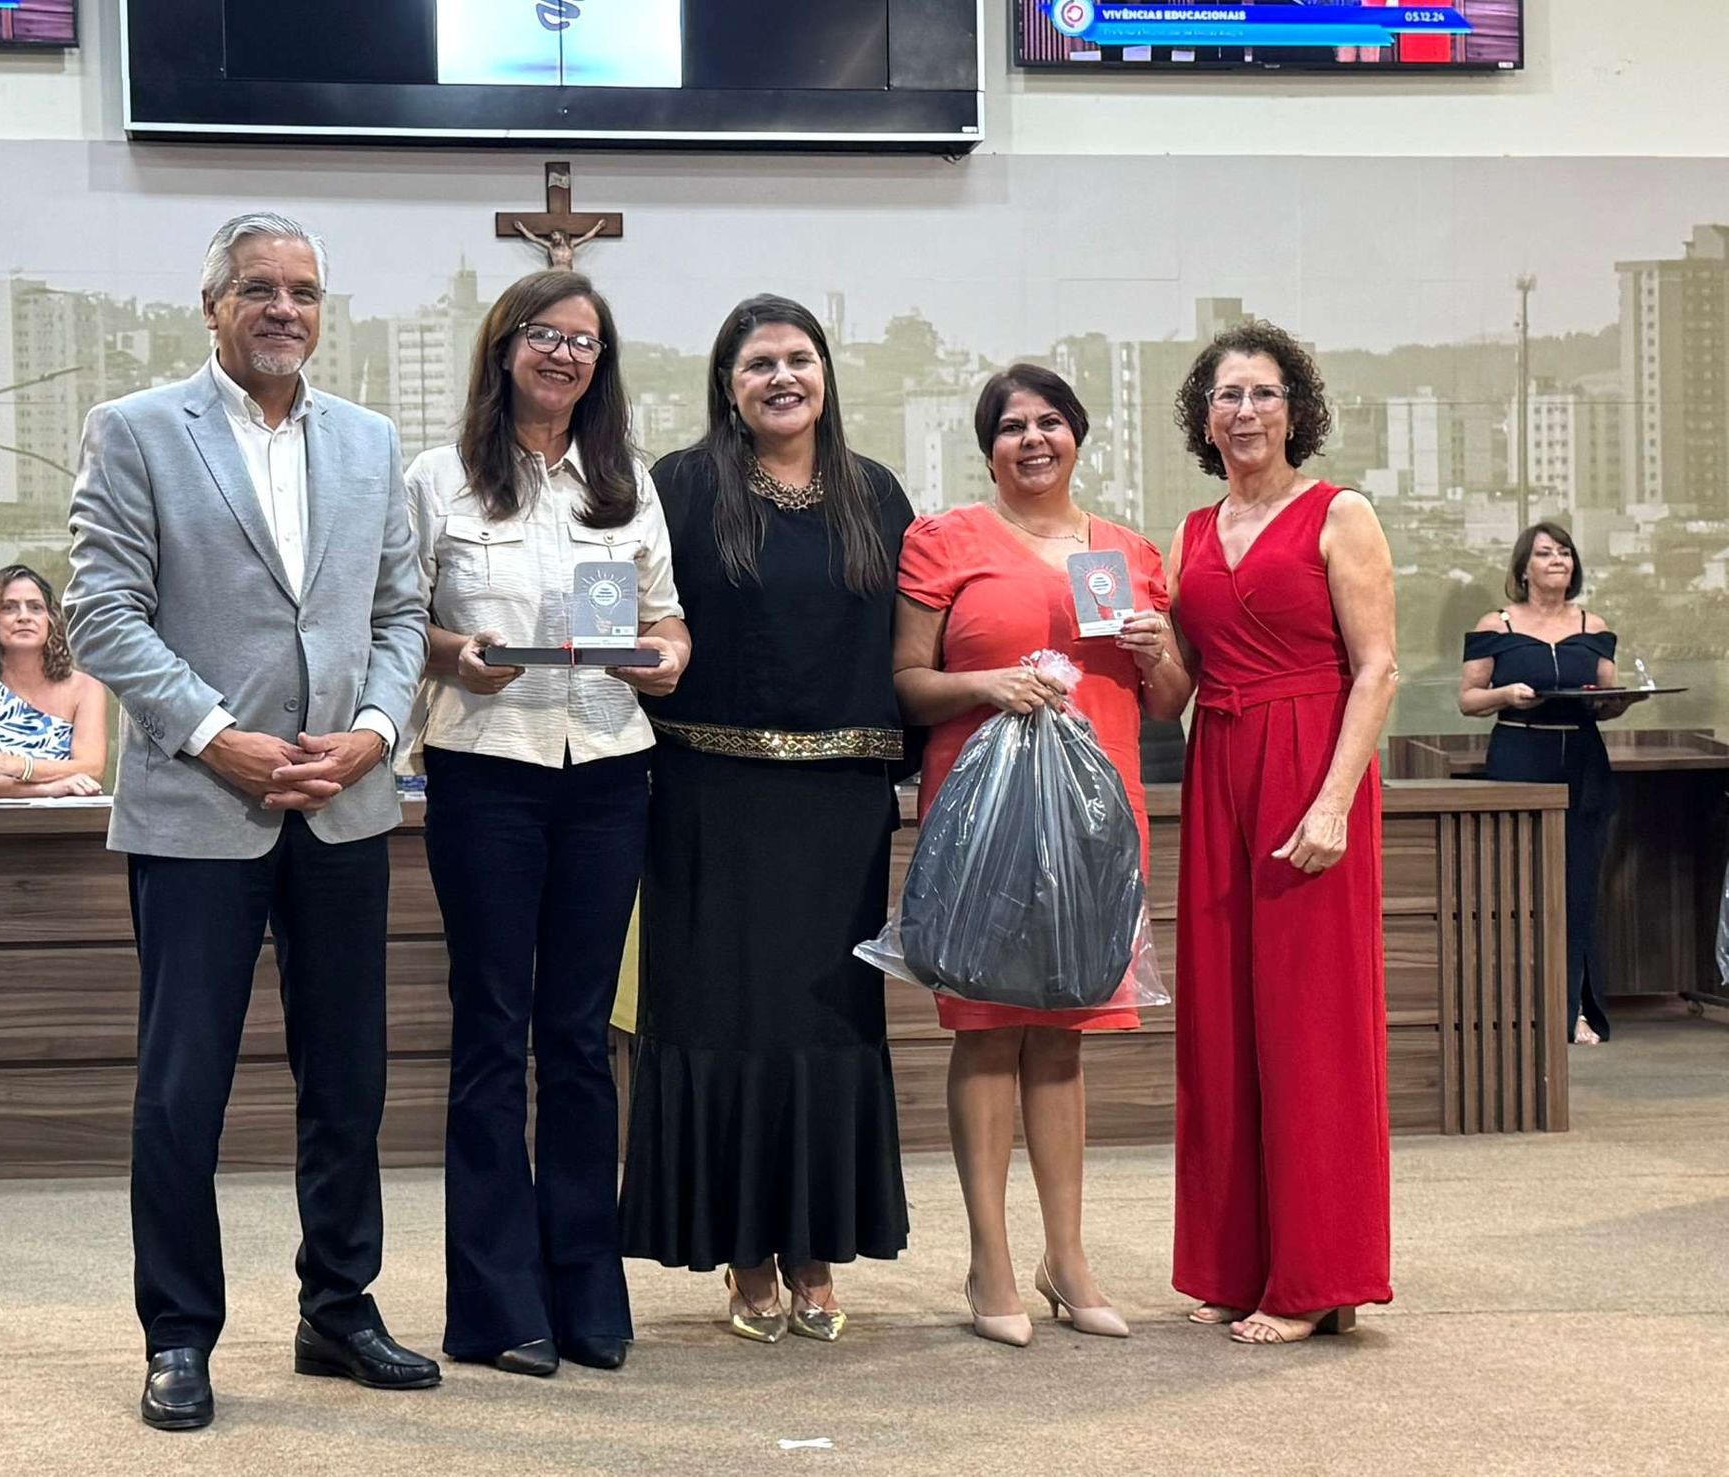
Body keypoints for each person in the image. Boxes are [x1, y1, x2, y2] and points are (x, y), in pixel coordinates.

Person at [66, 212, 437, 1430]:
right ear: (213, 304)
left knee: (349, 1080)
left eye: (306, 293)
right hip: (197, 806)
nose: (286, 310)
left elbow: (398, 611)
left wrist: (377, 734)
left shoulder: (373, 442)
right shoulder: (136, 431)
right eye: (261, 290)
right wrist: (215, 731)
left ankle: (339, 1306)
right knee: (184, 1089)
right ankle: (178, 1333)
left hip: (343, 802)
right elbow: (106, 614)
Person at [406, 269, 690, 1378]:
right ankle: (494, 1305)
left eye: (585, 342)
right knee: (490, 1033)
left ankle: (585, 1293)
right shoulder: (440, 477)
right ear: (505, 347)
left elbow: (668, 619)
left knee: (578, 1039)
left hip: (609, 772)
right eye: (546, 336)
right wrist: (450, 655)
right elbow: (400, 614)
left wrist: (668, 659)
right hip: (487, 772)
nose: (566, 355)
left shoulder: (622, 482)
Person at [619, 294, 914, 1344]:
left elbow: (905, 649)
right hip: (710, 805)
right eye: (758, 365)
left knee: (825, 1026)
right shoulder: (682, 486)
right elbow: (639, 618)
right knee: (724, 1025)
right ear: (728, 385)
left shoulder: (876, 494)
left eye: (799, 358)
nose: (781, 377)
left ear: (826, 373)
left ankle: (816, 1250)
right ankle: (745, 1254)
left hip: (839, 815)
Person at [893, 364, 1192, 1347]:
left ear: (1079, 437)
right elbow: (910, 683)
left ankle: (1067, 1258)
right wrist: (989, 682)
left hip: (1096, 826)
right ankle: (989, 1259)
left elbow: (1165, 702)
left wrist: (1159, 653)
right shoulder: (945, 541)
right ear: (989, 447)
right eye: (1012, 425)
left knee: (1064, 1034)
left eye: (1050, 422)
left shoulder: (1132, 553)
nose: (1033, 438)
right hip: (982, 821)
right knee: (985, 1029)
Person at [1167, 319, 1397, 1346]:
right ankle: (1241, 1261)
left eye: (1263, 393)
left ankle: (1316, 1277)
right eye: (1227, 396)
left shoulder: (1339, 513)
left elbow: (1379, 667)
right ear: (1203, 417)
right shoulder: (1189, 533)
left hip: (1310, 766)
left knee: (1312, 1027)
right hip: (1220, 766)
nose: (1246, 411)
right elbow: (1178, 688)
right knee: (1223, 1025)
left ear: (1294, 408)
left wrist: (1336, 800)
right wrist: (1141, 649)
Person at [1459, 522, 1648, 1044]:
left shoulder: (1594, 624)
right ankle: (1516, 1008)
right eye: (1545, 553)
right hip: (1520, 750)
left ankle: (1575, 1012)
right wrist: (1506, 695)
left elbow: (1605, 699)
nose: (1557, 560)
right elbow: (1468, 699)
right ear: (1524, 567)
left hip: (1583, 758)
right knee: (1517, 885)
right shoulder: (1496, 624)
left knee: (1578, 888)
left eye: (1564, 552)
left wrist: (1618, 703)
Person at [0, 563, 106, 800]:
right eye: (9, 608)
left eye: (35, 608)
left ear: (51, 620)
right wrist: (48, 789)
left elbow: (91, 770)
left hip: (68, 827)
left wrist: (10, 764)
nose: (24, 616)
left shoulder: (86, 688)